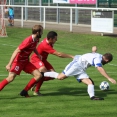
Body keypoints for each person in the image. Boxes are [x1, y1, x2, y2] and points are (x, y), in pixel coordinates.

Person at [44, 46, 117, 100]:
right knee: (60, 77)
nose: (106, 63)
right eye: (107, 62)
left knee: (90, 83)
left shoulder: (100, 56)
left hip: (81, 69)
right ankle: (42, 74)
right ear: (107, 60)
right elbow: (99, 68)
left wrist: (93, 51)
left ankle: (93, 97)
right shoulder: (98, 59)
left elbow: (92, 56)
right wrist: (109, 78)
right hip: (76, 65)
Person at [0, 25, 43, 97]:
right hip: (18, 62)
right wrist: (9, 64)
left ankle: (24, 91)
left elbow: (33, 47)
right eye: (41, 32)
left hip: (26, 62)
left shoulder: (36, 39)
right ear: (37, 32)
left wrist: (38, 54)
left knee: (39, 75)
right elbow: (16, 51)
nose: (42, 33)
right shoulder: (27, 41)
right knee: (10, 78)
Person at [30, 31, 74, 96]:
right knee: (43, 71)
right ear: (50, 39)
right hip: (36, 59)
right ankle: (36, 91)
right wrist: (72, 56)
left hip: (43, 60)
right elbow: (59, 54)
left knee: (52, 74)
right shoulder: (46, 45)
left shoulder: (49, 41)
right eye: (55, 39)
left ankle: (36, 80)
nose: (56, 40)